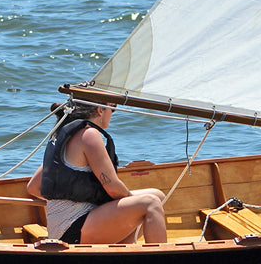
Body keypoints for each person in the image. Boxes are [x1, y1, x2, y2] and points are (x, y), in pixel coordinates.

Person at [27, 101, 167, 245]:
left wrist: (67, 199)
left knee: (158, 196)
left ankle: (122, 252)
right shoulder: (89, 134)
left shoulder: (65, 136)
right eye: (112, 109)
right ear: (100, 110)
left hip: (66, 227)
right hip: (72, 230)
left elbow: (33, 187)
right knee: (150, 203)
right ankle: (161, 262)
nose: (112, 114)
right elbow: (112, 188)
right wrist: (129, 203)